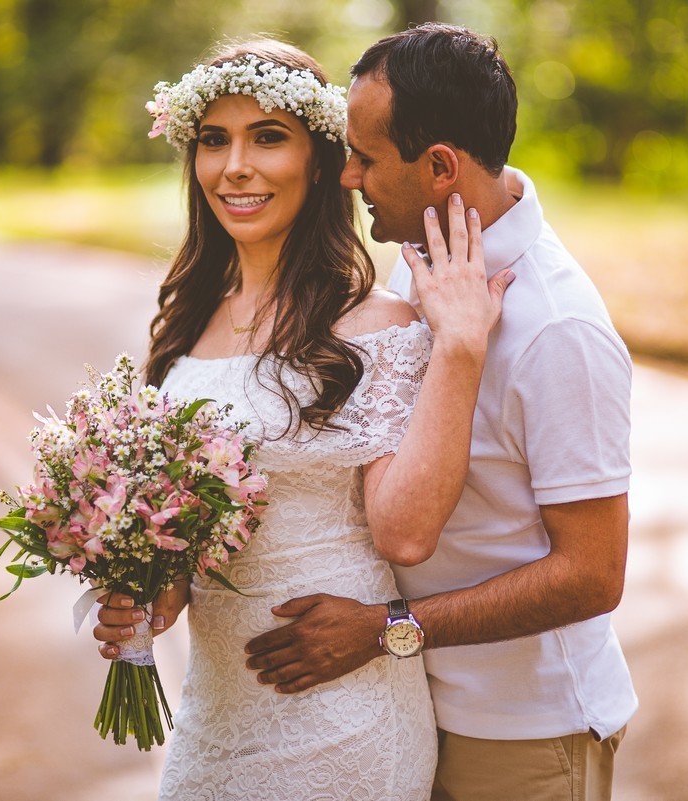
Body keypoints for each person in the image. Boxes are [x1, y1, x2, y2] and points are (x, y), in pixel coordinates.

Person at [103, 38, 513, 801]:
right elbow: (188, 554)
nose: (235, 167)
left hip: (344, 716)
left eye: (267, 138)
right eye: (214, 140)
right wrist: (148, 594)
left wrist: (459, 347)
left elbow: (407, 534)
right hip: (216, 714)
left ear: (321, 161)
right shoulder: (186, 324)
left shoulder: (377, 325)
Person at [235, 25, 638, 800]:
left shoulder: (559, 330)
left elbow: (593, 573)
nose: (347, 175)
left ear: (441, 166)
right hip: (412, 711)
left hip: (524, 734)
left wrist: (387, 627)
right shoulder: (421, 249)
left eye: (366, 157)